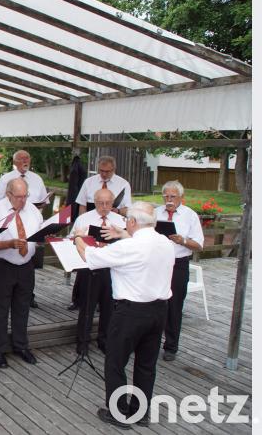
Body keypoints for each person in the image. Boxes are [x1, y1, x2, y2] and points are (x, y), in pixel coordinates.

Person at [74, 201, 174, 429]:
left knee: (115, 361)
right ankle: (141, 412)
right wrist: (123, 234)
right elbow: (141, 247)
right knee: (146, 364)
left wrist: (78, 237)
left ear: (132, 222)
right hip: (159, 310)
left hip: (131, 312)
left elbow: (89, 256)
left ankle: (118, 412)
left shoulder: (129, 247)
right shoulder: (164, 242)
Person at [0, 178, 43, 368]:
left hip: (26, 265)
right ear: (8, 194)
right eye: (18, 197)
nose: (22, 201)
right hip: (3, 264)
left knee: (23, 306)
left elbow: (39, 234)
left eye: (25, 196)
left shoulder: (32, 209)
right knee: (0, 308)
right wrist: (9, 243)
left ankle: (20, 345)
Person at [69, 188, 126, 354]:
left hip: (112, 269)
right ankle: (82, 342)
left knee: (109, 308)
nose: (104, 206)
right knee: (87, 308)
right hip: (90, 268)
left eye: (108, 203)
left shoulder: (120, 220)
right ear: (94, 202)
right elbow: (72, 239)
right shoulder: (84, 219)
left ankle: (105, 340)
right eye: (100, 203)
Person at [0, 149, 49, 309]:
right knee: (1, 304)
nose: (26, 161)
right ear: (15, 161)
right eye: (22, 158)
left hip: (31, 219)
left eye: (28, 158)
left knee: (29, 269)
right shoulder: (6, 178)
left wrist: (38, 207)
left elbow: (44, 201)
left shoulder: (37, 178)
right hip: (9, 227)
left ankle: (29, 296)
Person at [155, 181, 204, 362]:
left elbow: (199, 245)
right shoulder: (155, 213)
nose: (169, 200)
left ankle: (171, 347)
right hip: (156, 263)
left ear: (181, 198)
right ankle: (149, 343)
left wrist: (181, 240)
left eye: (173, 196)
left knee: (174, 306)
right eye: (166, 196)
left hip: (178, 263)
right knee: (153, 302)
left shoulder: (190, 215)